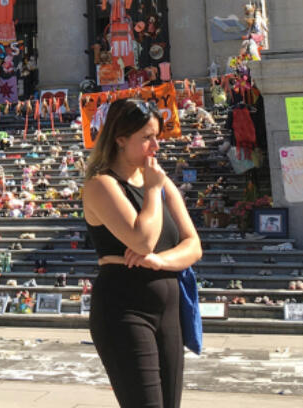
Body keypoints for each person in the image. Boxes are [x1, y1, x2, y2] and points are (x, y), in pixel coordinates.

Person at [82, 97, 202, 408]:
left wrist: (160, 262)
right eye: (146, 138)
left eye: (157, 137)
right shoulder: (102, 185)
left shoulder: (162, 185)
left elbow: (193, 245)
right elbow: (142, 240)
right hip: (124, 309)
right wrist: (150, 190)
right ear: (120, 139)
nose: (156, 147)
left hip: (168, 310)